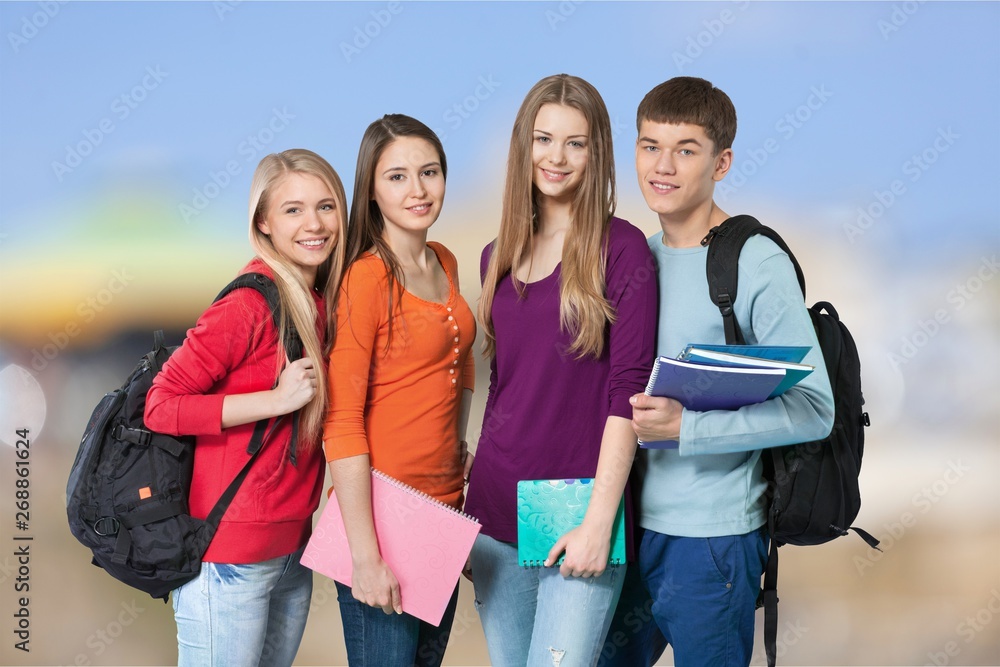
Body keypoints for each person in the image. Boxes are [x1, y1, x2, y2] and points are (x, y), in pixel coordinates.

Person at [602, 76, 835, 667]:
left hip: (711, 541)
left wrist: (689, 428)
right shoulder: (637, 258)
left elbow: (814, 408)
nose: (663, 165)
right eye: (650, 145)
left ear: (722, 161)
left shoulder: (754, 262)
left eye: (686, 150)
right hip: (621, 529)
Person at [463, 73, 657, 667]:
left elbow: (628, 394)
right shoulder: (496, 255)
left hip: (578, 507)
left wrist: (601, 521)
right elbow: (503, 387)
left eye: (576, 143)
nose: (557, 157)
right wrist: (471, 504)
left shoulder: (622, 250)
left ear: (597, 153)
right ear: (524, 145)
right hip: (495, 509)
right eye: (544, 139)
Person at [144, 149, 348, 667]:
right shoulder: (248, 305)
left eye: (326, 207)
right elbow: (162, 406)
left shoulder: (319, 302)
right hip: (228, 561)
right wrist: (274, 401)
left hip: (289, 555)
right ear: (264, 222)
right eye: (293, 210)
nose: (314, 224)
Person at [323, 114, 476, 667]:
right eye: (397, 177)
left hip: (442, 513)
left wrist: (460, 460)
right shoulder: (366, 278)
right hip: (383, 521)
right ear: (370, 188)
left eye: (429, 172)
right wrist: (367, 556)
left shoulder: (446, 262)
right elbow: (340, 421)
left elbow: (459, 374)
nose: (417, 190)